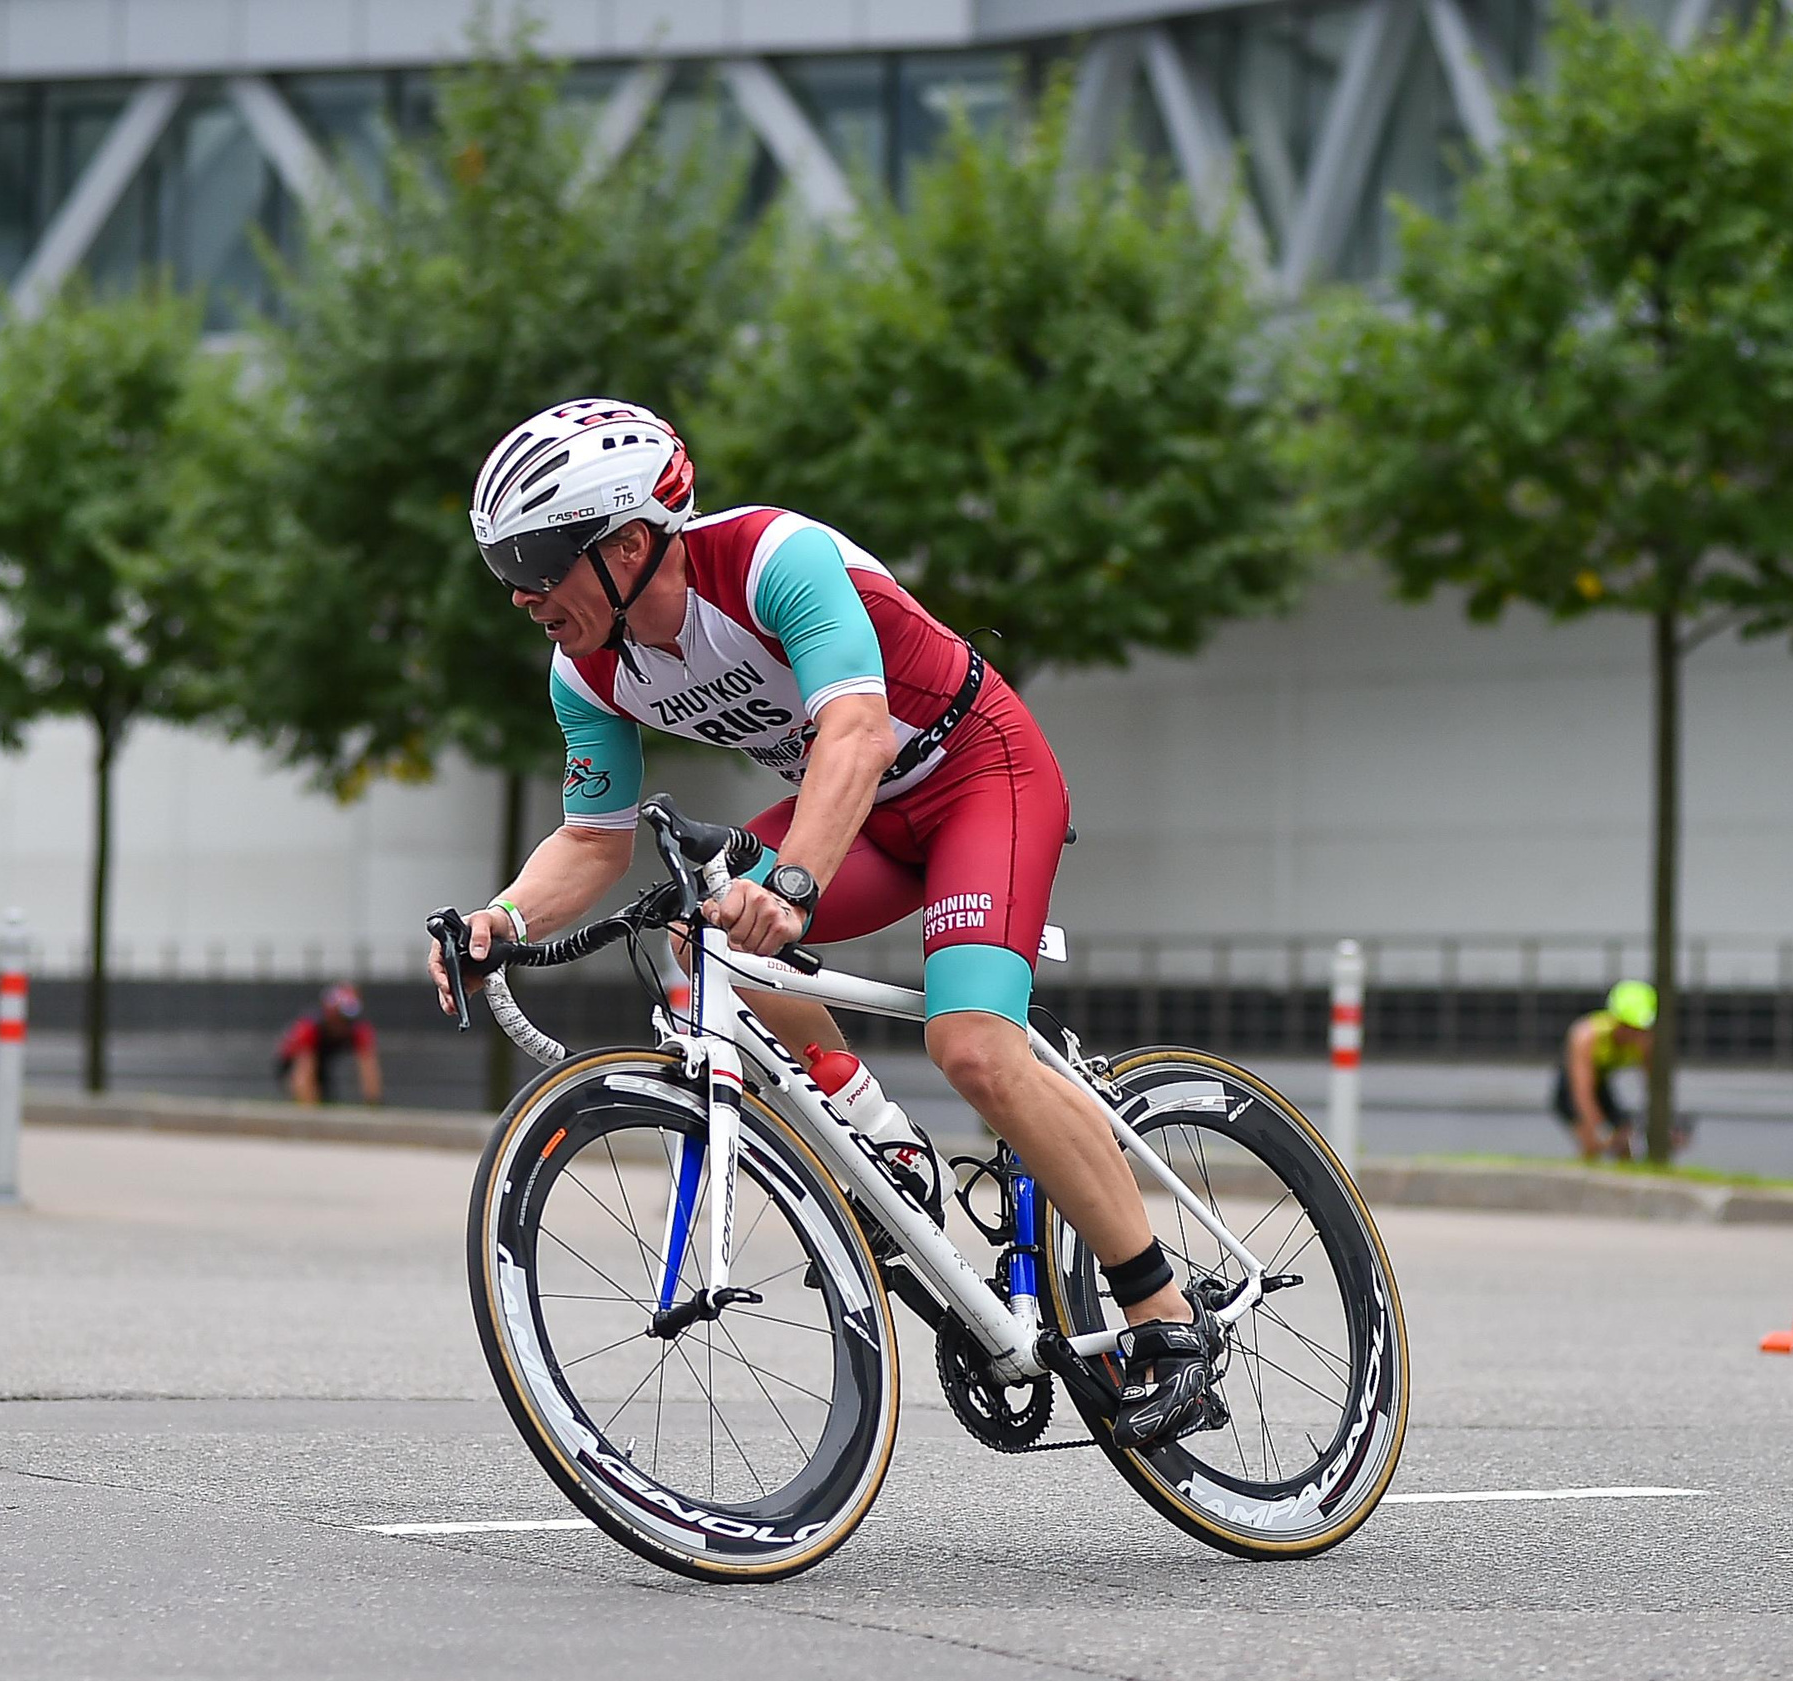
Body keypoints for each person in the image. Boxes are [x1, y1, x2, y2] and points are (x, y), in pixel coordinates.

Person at [429, 398, 1219, 1449]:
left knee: (973, 1047)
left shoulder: (771, 561)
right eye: (504, 569)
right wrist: (499, 919)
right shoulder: (587, 667)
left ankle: (1166, 1315)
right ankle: (879, 1140)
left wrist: (793, 884)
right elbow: (592, 841)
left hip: (977, 775)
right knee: (698, 927)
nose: (522, 595)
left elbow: (853, 729)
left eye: (536, 562)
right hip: (859, 818)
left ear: (625, 546)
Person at [1553, 978, 1666, 1160]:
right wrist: (1600, 1130)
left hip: (1602, 1084)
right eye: (1627, 1026)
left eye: (1638, 1028)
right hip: (1571, 1087)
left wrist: (1660, 1125)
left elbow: (1653, 1085)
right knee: (1592, 1142)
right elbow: (1582, 1092)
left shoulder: (1644, 1041)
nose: (1633, 1034)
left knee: (1624, 1141)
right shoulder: (1586, 1036)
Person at [277, 982, 384, 1107]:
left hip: (323, 1062)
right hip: (293, 1062)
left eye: (346, 1018)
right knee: (305, 1093)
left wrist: (374, 1103)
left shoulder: (358, 1029)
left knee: (328, 1098)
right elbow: (303, 1073)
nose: (342, 1023)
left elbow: (369, 1068)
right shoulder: (309, 1028)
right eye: (338, 1016)